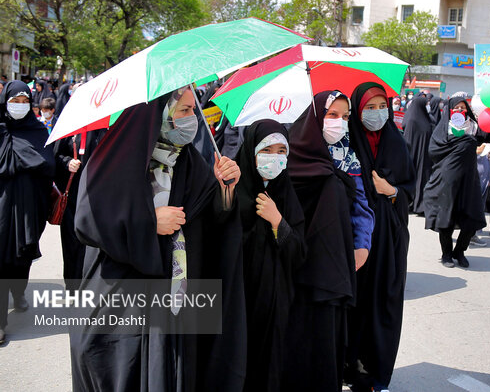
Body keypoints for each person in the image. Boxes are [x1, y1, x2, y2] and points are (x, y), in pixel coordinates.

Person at [70, 86, 247, 391]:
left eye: (194, 110)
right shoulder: (114, 160)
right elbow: (89, 220)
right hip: (120, 298)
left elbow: (211, 223)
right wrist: (148, 222)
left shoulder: (191, 163)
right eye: (185, 111)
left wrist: (226, 190)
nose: (193, 118)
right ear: (159, 115)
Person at [284, 91, 373, 392]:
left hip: (334, 266)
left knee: (327, 340)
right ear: (315, 117)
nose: (340, 123)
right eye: (332, 115)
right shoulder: (291, 155)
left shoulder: (348, 158)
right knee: (296, 340)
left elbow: (361, 205)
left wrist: (362, 243)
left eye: (345, 117)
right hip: (296, 267)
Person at [345, 82, 415, 392]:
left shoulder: (397, 143)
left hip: (389, 240)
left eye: (381, 107)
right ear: (357, 111)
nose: (376, 114)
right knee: (353, 304)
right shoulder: (346, 142)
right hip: (355, 237)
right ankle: (347, 367)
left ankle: (376, 374)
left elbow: (411, 189)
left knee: (382, 303)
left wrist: (393, 191)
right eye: (368, 108)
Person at [234, 119, 306, 392]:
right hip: (238, 302)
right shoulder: (233, 187)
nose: (275, 158)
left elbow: (299, 253)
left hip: (274, 305)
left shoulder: (285, 193)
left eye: (282, 151)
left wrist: (278, 222)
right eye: (267, 150)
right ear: (251, 150)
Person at [0, 80, 55, 344]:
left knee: (21, 254)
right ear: (5, 102)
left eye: (24, 102)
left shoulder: (36, 132)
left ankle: (19, 291)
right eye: (14, 102)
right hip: (0, 208)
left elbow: (48, 163)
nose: (19, 107)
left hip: (28, 207)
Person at [424, 96, 490, 268]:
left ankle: (459, 251)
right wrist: (461, 143)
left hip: (470, 180)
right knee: (446, 218)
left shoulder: (473, 127)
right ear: (449, 110)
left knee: (472, 216)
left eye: (463, 108)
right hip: (448, 181)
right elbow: (433, 150)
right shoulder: (443, 129)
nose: (460, 111)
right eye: (457, 108)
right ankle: (446, 254)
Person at [53, 129, 106, 290]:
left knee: (97, 245)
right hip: (74, 198)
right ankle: (72, 285)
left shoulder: (108, 128)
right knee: (72, 243)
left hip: (100, 198)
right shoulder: (72, 128)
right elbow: (55, 155)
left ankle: (92, 285)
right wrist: (67, 162)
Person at [402, 95, 432, 215]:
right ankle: (411, 203)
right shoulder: (412, 120)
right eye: (425, 105)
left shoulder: (425, 118)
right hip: (413, 155)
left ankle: (420, 205)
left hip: (424, 156)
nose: (427, 107)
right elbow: (409, 139)